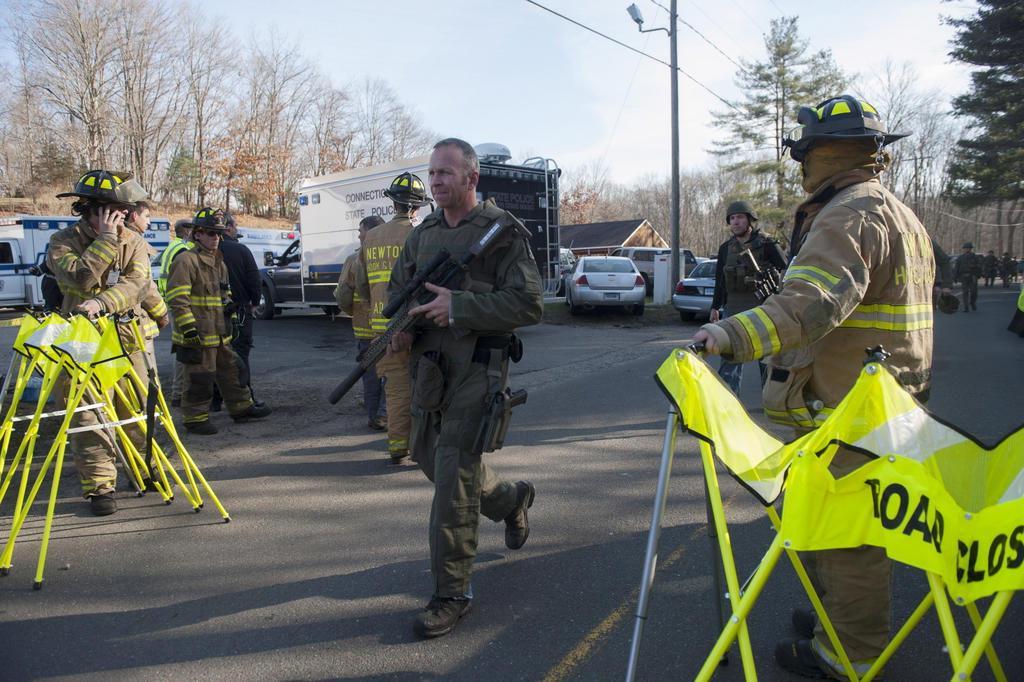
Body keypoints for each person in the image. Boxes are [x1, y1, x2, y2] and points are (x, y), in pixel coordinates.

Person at [692, 96, 934, 679]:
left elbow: (809, 304)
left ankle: (850, 656)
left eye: (803, 154)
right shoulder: (896, 212)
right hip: (886, 401)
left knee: (851, 538)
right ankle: (838, 620)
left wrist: (725, 336)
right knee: (836, 521)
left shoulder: (851, 214)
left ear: (819, 153)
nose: (801, 168)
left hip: (858, 408)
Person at [387, 138, 543, 638]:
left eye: (445, 173)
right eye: (432, 173)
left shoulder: (500, 233)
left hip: (478, 366)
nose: (435, 182)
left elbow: (528, 305)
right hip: (431, 367)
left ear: (472, 178)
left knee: (454, 476)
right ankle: (510, 499)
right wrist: (402, 327)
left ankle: (452, 591)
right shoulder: (424, 233)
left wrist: (460, 306)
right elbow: (399, 290)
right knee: (429, 454)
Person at [47, 170, 160, 516]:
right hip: (82, 342)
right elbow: (80, 277)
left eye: (124, 212)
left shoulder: (135, 241)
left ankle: (142, 470)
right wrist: (107, 240)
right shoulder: (62, 242)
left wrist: (103, 303)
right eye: (114, 211)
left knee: (137, 409)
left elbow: (137, 285)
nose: (122, 218)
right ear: (91, 210)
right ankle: (100, 487)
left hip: (127, 338)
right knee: (90, 415)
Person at [165, 208, 271, 435]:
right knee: (199, 378)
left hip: (219, 334)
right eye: (211, 233)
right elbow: (177, 298)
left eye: (218, 233)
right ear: (197, 234)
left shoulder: (219, 262)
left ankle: (241, 408)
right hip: (197, 336)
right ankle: (195, 419)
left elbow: (225, 297)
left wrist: (231, 318)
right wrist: (188, 328)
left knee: (232, 372)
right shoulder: (186, 261)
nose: (216, 238)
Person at [355, 172, 431, 465]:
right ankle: (423, 445)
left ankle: (399, 445)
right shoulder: (420, 234)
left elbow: (361, 285)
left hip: (380, 326)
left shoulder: (371, 237)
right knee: (427, 386)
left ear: (393, 203)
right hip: (416, 323)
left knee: (396, 389)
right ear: (416, 207)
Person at [709, 200, 787, 394]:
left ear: (750, 220)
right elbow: (720, 279)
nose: (736, 222)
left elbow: (787, 269)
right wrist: (715, 306)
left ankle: (771, 399)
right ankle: (728, 401)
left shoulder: (767, 244)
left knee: (766, 358)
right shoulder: (726, 248)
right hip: (733, 308)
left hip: (763, 307)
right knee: (731, 356)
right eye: (732, 218)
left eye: (740, 217)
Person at [335, 215, 387, 430]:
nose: (358, 235)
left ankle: (375, 415)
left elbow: (344, 296)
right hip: (390, 324)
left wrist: (353, 312)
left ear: (371, 232)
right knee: (393, 372)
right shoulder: (393, 255)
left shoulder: (353, 260)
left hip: (365, 327)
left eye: (361, 230)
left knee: (370, 372)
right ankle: (386, 412)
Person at [210, 211, 262, 411]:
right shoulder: (240, 250)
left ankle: (216, 400)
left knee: (217, 355)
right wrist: (255, 302)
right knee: (240, 354)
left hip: (213, 314)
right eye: (236, 225)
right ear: (228, 228)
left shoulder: (202, 254)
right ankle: (245, 397)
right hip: (239, 311)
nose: (237, 229)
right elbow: (253, 279)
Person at [160, 219, 194, 407]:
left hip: (172, 303)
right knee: (185, 350)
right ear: (186, 231)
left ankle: (179, 393)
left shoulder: (172, 247)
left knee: (182, 348)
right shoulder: (183, 249)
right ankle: (179, 394)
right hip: (181, 305)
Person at [953, 242, 982, 312]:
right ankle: (966, 307)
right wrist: (955, 277)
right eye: (966, 248)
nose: (967, 250)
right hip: (963, 276)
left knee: (973, 292)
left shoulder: (975, 257)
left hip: (972, 276)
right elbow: (956, 267)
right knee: (965, 292)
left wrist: (977, 272)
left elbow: (980, 266)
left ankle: (972, 302)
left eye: (968, 248)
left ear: (971, 249)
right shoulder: (960, 258)